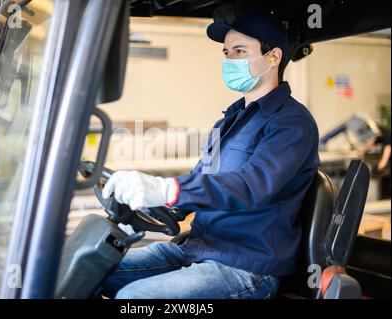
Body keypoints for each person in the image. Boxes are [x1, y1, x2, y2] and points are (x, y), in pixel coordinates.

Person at [98, 10, 320, 299]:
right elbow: (199, 179)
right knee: (92, 268)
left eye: (240, 51)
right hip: (194, 249)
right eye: (227, 53)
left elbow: (251, 186)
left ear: (273, 57)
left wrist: (167, 188)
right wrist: (143, 204)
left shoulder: (291, 123)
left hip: (246, 266)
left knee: (135, 300)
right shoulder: (227, 121)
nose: (230, 60)